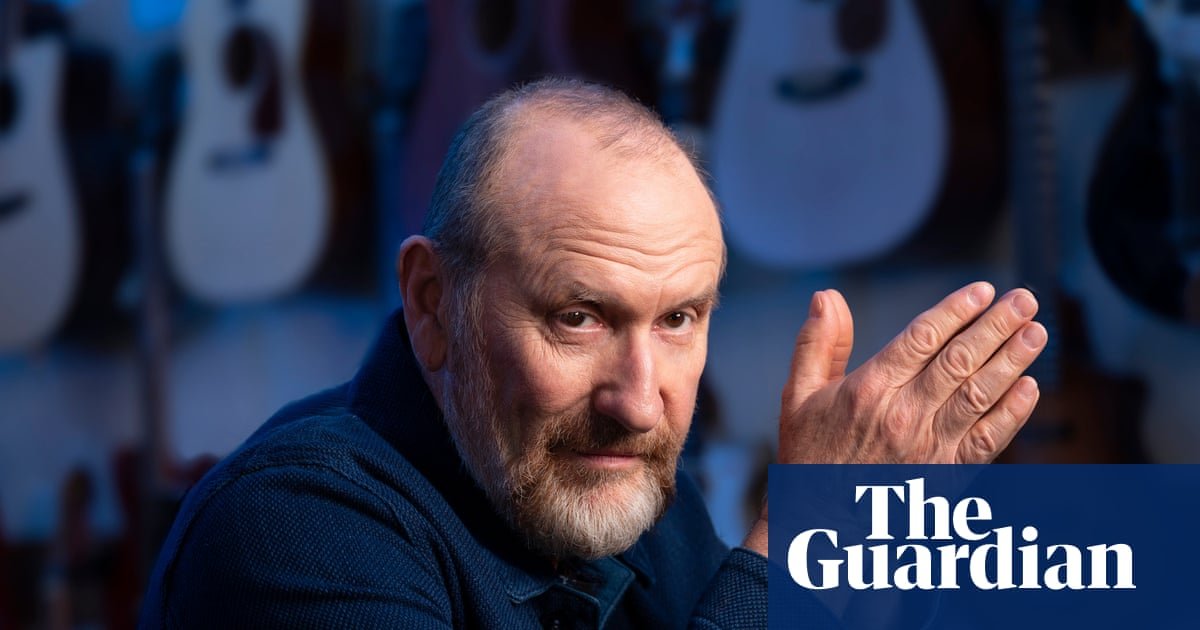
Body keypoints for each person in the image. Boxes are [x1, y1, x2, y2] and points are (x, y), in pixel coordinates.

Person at [139, 78, 1046, 628]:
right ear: (433, 305)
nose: (639, 402)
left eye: (679, 318)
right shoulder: (290, 530)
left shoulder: (622, 489)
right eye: (578, 318)